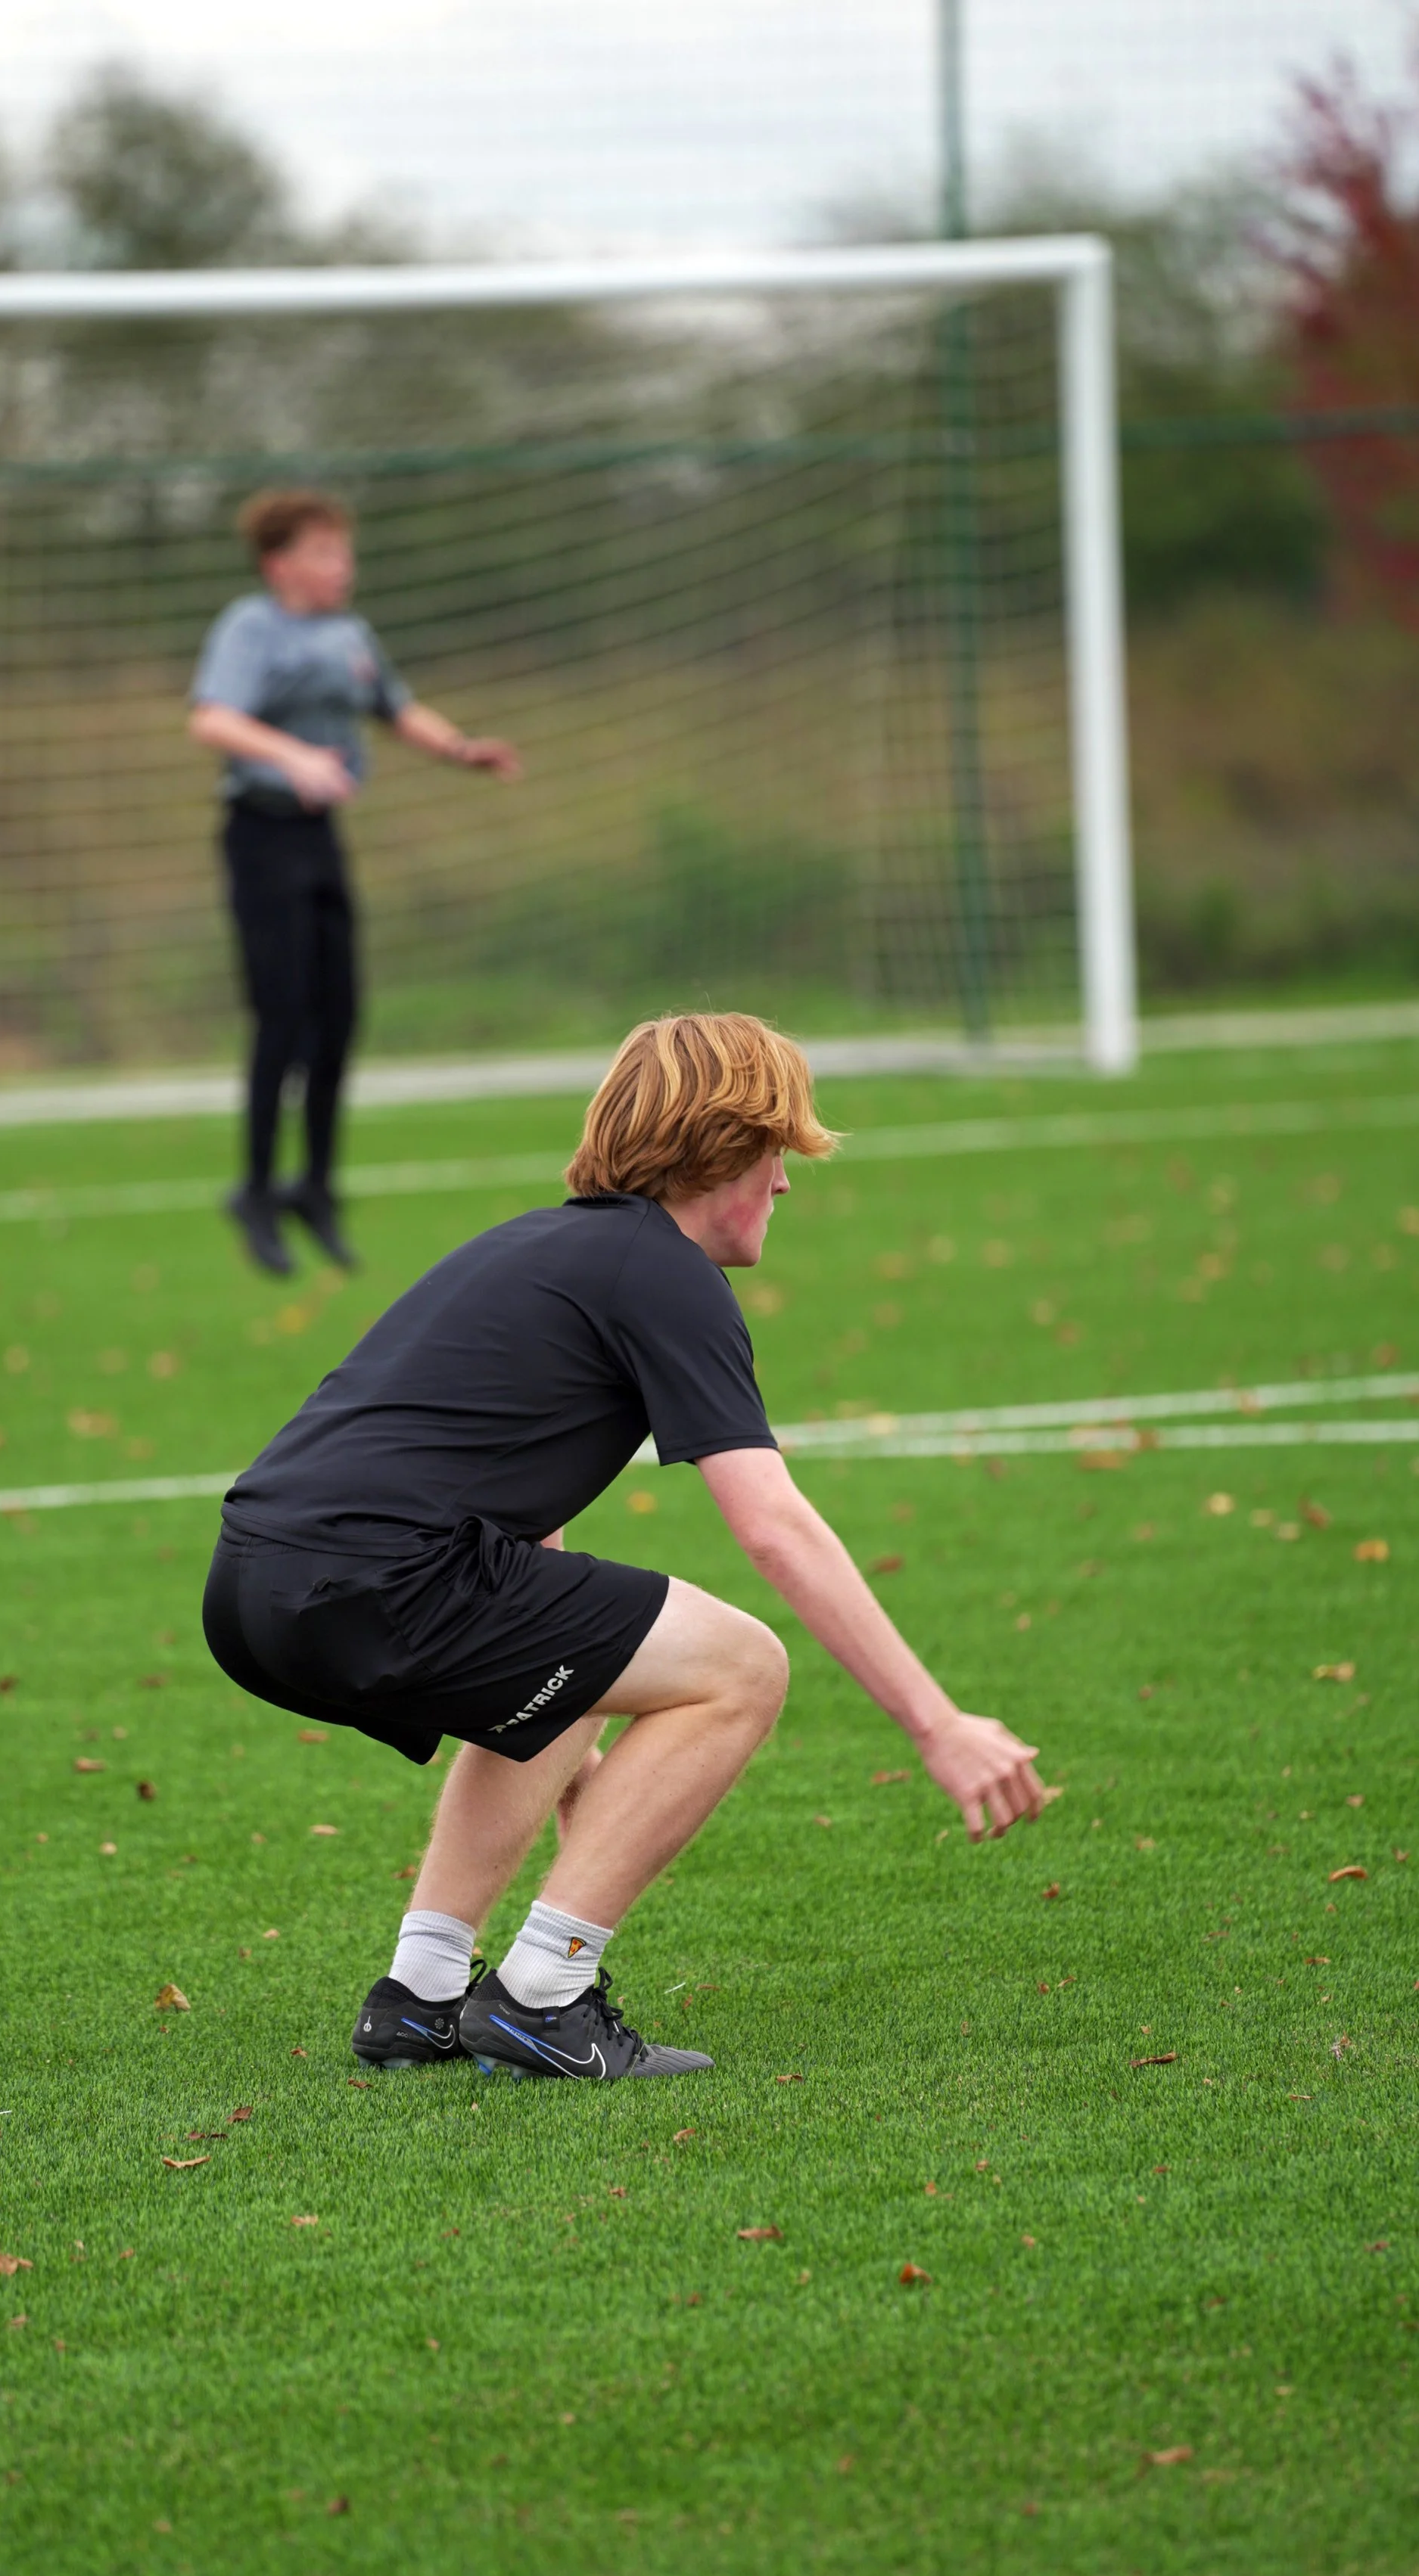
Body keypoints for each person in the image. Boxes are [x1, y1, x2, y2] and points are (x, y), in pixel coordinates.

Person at [201, 1011, 1047, 2081]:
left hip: (252, 1588)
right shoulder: (667, 1273)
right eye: (776, 1150)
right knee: (744, 1664)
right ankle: (542, 1998)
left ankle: (419, 1997)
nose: (785, 1183)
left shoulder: (537, 1243)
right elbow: (775, 1527)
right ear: (725, 1149)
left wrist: (568, 1723)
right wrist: (936, 1724)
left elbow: (525, 1538)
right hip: (378, 1576)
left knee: (596, 1648)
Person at [187, 488, 521, 1278]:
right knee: (280, 1019)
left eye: (345, 552)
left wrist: (460, 748)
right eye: (326, 553)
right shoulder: (249, 627)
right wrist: (291, 757)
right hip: (260, 836)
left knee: (338, 1017)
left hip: (321, 839)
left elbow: (395, 708)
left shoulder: (350, 636)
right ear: (281, 564)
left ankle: (318, 1189)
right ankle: (257, 1191)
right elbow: (211, 719)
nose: (344, 567)